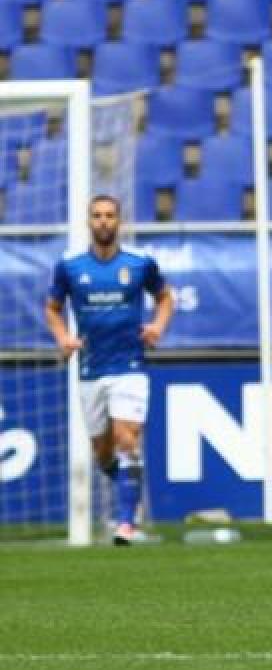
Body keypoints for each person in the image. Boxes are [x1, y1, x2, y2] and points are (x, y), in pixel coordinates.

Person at [45, 195, 175, 545]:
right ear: (89, 221)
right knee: (102, 452)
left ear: (119, 221)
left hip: (130, 364)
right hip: (91, 368)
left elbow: (164, 297)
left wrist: (157, 328)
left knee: (126, 439)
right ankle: (127, 494)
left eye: (110, 216)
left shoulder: (139, 262)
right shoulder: (70, 265)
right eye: (97, 216)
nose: (103, 221)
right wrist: (63, 338)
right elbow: (53, 307)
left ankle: (126, 523)